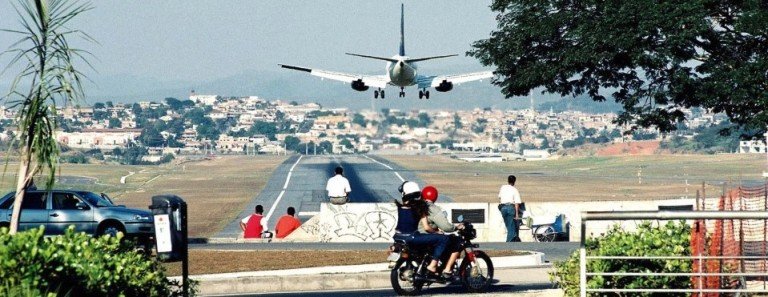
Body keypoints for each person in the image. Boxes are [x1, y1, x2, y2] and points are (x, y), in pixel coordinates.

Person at [393, 181, 448, 277]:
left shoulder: (400, 207)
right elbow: (426, 227)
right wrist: (437, 232)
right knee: (443, 239)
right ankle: (433, 265)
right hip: (411, 237)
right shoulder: (420, 208)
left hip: (397, 236)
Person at [420, 185, 464, 279]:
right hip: (428, 236)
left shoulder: (418, 206)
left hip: (417, 236)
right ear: (435, 196)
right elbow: (445, 226)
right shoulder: (432, 208)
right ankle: (447, 269)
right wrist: (455, 227)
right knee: (457, 242)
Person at [498, 175, 522, 242]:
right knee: (511, 227)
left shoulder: (503, 187)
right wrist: (517, 214)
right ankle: (508, 243)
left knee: (508, 225)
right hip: (510, 208)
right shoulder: (515, 190)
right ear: (514, 181)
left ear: (508, 180)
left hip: (503, 208)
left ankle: (512, 239)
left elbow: (499, 197)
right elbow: (517, 203)